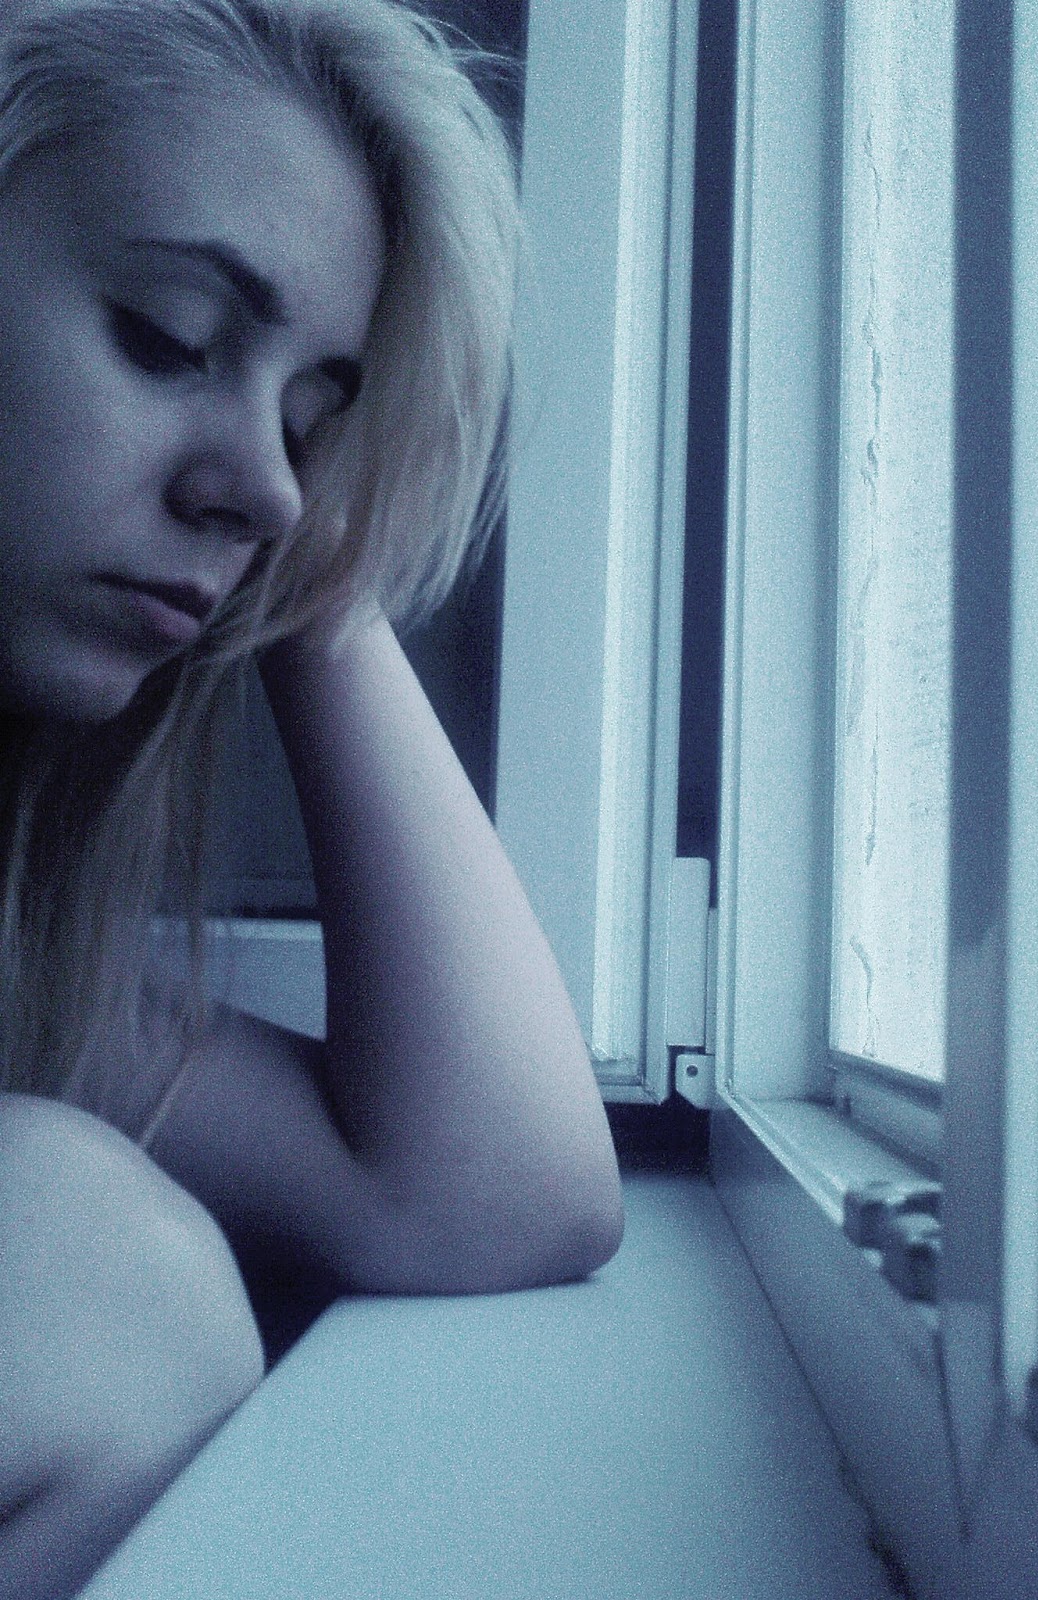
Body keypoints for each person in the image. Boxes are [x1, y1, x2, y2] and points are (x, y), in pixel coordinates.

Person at [0, 1, 625, 1593]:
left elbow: (493, 1197)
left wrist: (323, 572)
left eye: (310, 422)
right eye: (167, 335)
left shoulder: (20, 935)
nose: (270, 490)